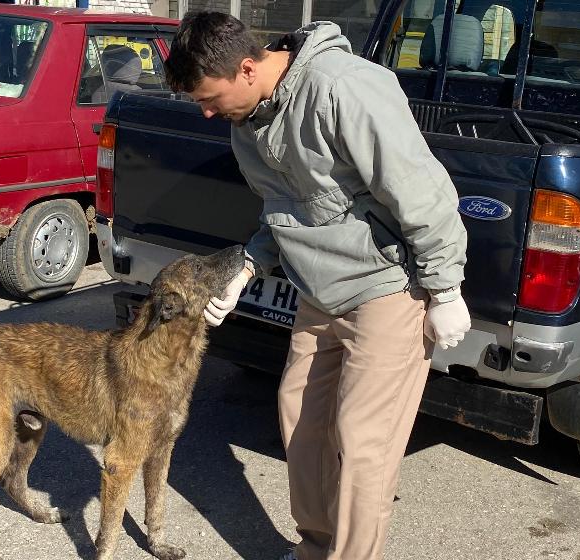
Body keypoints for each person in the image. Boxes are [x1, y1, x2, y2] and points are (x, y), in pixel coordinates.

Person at [165, 12, 471, 560]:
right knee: (299, 419)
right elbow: (285, 209)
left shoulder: (343, 88)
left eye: (209, 98)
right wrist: (249, 267)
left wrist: (445, 288)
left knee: (362, 444)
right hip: (319, 293)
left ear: (248, 67)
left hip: (387, 287)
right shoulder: (248, 123)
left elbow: (421, 192)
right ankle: (317, 546)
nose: (208, 113)